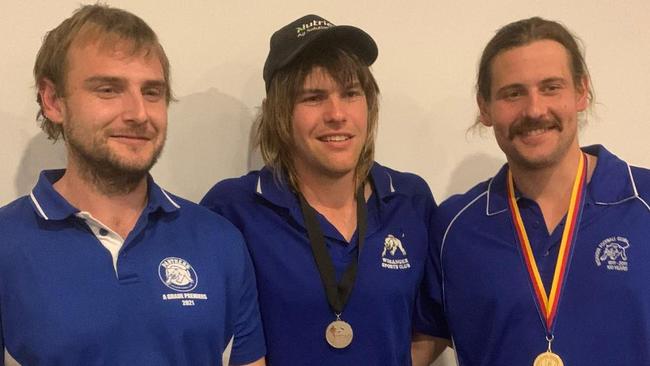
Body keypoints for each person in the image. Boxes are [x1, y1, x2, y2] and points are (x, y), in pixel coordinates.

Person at [0, 4, 265, 365]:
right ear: (53, 101)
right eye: (109, 89)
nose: (139, 113)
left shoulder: (219, 241)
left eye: (152, 92)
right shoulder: (7, 244)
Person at [201, 14, 443, 365]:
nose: (337, 114)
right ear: (279, 113)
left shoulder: (410, 199)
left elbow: (430, 326)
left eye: (350, 94)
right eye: (313, 97)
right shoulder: (234, 208)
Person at [416, 16, 650, 365]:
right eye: (513, 93)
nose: (535, 110)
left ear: (581, 92)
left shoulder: (642, 200)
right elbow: (416, 345)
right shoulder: (454, 227)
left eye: (551, 87)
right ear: (485, 108)